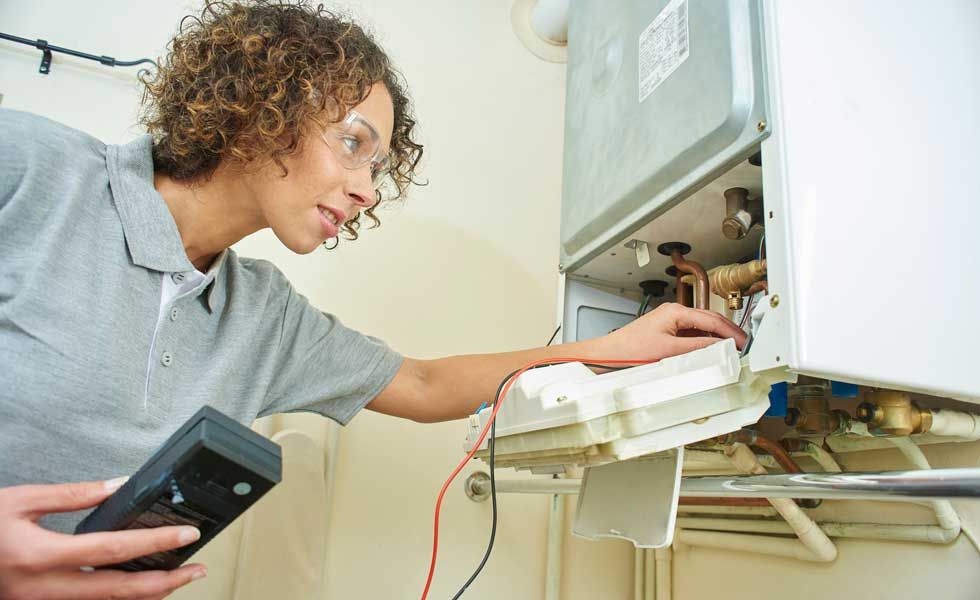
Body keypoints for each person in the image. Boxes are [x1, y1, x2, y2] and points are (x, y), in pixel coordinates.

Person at [0, 2, 746, 598]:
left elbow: (421, 384)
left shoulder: (261, 314)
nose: (366, 189)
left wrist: (609, 350)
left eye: (381, 167)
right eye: (353, 143)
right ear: (262, 104)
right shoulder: (34, 171)